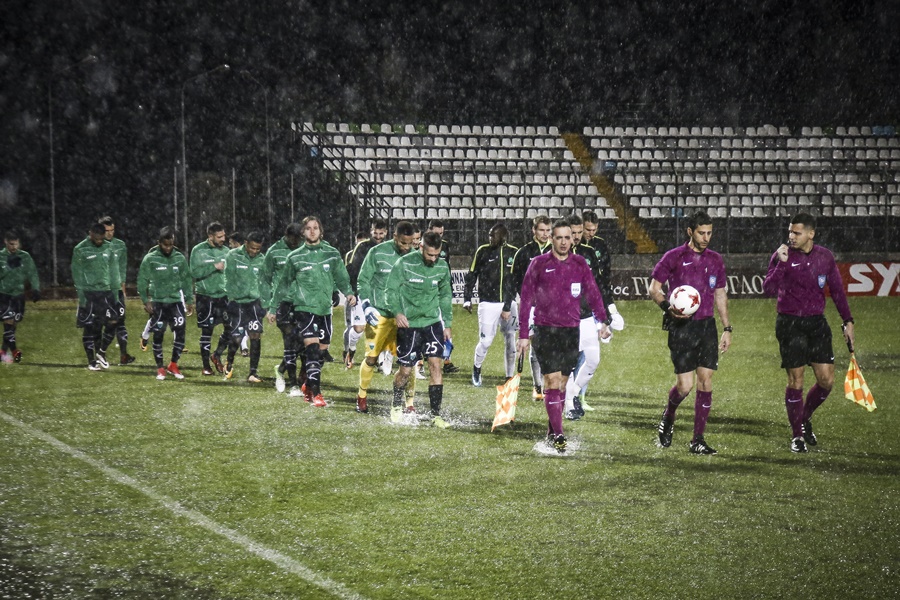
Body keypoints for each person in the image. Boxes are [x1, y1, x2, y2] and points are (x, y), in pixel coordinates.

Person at [763, 212, 855, 453]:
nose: (791, 236)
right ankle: (796, 437)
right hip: (789, 323)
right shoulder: (782, 255)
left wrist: (848, 320)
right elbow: (768, 288)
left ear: (811, 234)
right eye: (790, 232)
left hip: (817, 324)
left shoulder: (825, 257)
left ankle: (803, 418)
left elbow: (836, 290)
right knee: (796, 380)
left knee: (826, 381)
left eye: (797, 232)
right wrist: (781, 263)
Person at [517, 220, 609, 453]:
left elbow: (593, 292)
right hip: (546, 330)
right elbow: (526, 298)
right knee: (551, 382)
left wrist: (602, 320)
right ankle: (559, 435)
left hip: (571, 331)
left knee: (562, 385)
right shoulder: (538, 264)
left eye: (567, 237)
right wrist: (524, 334)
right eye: (559, 237)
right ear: (551, 239)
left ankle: (551, 430)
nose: (564, 242)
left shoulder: (579, 263)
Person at [649, 211, 731, 455]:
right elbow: (654, 289)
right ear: (690, 232)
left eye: (709, 233)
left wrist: (727, 328)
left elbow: (720, 294)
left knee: (706, 381)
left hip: (707, 327)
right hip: (682, 327)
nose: (706, 238)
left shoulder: (715, 260)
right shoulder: (673, 257)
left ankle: (697, 439)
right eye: (701, 233)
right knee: (685, 387)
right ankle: (669, 414)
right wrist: (669, 309)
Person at [273, 217, 355, 406]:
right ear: (303, 232)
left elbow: (341, 277)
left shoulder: (332, 254)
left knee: (321, 351)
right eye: (308, 228)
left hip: (325, 309)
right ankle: (317, 394)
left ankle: (308, 384)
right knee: (311, 349)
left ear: (321, 231)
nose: (312, 231)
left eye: (315, 228)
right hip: (304, 308)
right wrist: (272, 307)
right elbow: (284, 284)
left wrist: (348, 293)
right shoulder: (294, 257)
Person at [384, 231, 454, 426]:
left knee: (435, 365)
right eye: (430, 254)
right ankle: (397, 403)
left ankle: (435, 415)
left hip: (432, 324)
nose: (433, 259)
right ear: (421, 247)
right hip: (409, 326)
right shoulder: (405, 263)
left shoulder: (442, 267)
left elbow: (445, 295)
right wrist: (397, 313)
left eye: (437, 255)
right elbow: (391, 289)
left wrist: (447, 323)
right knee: (405, 371)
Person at [354, 220, 416, 413]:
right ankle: (361, 397)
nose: (406, 247)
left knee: (408, 360)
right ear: (395, 237)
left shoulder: (415, 257)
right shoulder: (377, 253)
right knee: (371, 359)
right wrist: (366, 306)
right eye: (403, 242)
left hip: (404, 317)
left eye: (410, 243)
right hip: (380, 315)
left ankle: (409, 403)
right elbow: (363, 280)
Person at [562, 214, 610, 420]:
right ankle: (568, 405)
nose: (577, 237)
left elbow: (596, 287)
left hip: (588, 316)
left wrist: (605, 317)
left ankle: (573, 393)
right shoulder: (555, 255)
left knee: (593, 360)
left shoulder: (588, 253)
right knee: (568, 364)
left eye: (580, 233)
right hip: (566, 318)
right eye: (573, 233)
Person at [464, 223, 518, 387]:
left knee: (510, 340)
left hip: (509, 303)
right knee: (486, 341)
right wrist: (467, 298)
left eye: (492, 235)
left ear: (502, 236)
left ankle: (509, 377)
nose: (489, 238)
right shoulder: (483, 251)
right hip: (488, 303)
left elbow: (515, 281)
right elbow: (472, 275)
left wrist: (508, 306)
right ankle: (477, 368)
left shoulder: (513, 253)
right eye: (489, 235)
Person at [137, 227, 194, 380]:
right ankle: (160, 368)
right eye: (165, 245)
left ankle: (173, 365)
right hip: (159, 302)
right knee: (158, 334)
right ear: (159, 243)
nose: (168, 248)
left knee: (180, 334)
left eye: (170, 245)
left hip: (175, 302)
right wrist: (145, 300)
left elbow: (186, 279)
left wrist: (189, 300)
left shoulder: (179, 258)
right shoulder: (151, 259)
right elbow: (142, 280)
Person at [511, 214, 552, 400]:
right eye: (541, 230)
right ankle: (538, 386)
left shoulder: (556, 251)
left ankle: (550, 383)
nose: (545, 234)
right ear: (533, 231)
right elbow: (514, 280)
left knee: (548, 347)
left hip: (553, 308)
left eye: (548, 230)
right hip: (532, 307)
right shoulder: (524, 253)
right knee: (535, 346)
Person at [72, 222, 121, 370]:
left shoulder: (109, 248)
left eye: (102, 239)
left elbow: (114, 271)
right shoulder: (80, 249)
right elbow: (77, 274)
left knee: (113, 321)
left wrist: (116, 293)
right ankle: (91, 361)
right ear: (91, 234)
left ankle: (101, 352)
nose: (100, 241)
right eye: (97, 238)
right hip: (89, 293)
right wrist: (81, 296)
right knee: (91, 326)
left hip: (105, 292)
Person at [222, 231, 268, 382]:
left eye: (258, 249)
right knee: (236, 338)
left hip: (255, 303)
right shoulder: (233, 256)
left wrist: (266, 302)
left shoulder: (263, 260)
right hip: (237, 302)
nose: (255, 251)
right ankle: (229, 363)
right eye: (252, 248)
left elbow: (266, 282)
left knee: (255, 335)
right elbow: (227, 278)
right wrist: (230, 297)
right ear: (246, 243)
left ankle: (253, 373)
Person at [262, 223, 304, 392]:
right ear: (286, 236)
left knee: (302, 344)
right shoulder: (274, 251)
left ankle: (280, 369)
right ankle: (293, 384)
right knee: (289, 340)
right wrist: (269, 306)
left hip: (302, 303)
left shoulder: (304, 249)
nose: (295, 242)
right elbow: (265, 278)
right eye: (293, 239)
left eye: (298, 239)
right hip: (283, 303)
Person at [343, 220, 387, 369]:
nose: (378, 236)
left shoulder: (388, 249)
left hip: (381, 295)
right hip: (363, 293)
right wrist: (353, 293)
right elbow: (352, 269)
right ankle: (351, 351)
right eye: (376, 232)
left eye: (381, 233)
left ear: (386, 233)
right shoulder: (362, 247)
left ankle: (380, 361)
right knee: (358, 328)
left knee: (380, 327)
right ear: (371, 231)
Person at [190, 221, 231, 376]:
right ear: (210, 236)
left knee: (231, 328)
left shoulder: (227, 251)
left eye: (224, 236)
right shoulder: (198, 251)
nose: (223, 239)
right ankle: (206, 366)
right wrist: (213, 267)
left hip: (224, 297)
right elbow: (194, 273)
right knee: (207, 331)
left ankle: (217, 354)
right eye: (219, 236)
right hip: (205, 298)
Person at [99, 216, 135, 365]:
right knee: (108, 323)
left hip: (117, 291)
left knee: (120, 321)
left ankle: (123, 355)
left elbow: (122, 267)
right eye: (107, 231)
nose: (110, 233)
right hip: (103, 291)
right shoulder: (95, 246)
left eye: (112, 230)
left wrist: (123, 287)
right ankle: (99, 352)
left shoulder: (120, 245)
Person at [0, 231, 40, 363]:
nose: (14, 247)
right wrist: (6, 269)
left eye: (16, 244)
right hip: (4, 295)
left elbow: (32, 272)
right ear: (6, 243)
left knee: (13, 325)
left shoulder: (25, 257)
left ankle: (3, 351)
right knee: (9, 321)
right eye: (11, 244)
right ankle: (15, 351)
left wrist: (36, 288)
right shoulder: (1, 257)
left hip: (18, 295)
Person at [427, 219, 460, 374]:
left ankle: (446, 360)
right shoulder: (423, 246)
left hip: (441, 290)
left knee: (446, 323)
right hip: (428, 292)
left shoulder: (445, 245)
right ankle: (419, 362)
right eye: (436, 233)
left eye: (441, 233)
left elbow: (447, 266)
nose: (439, 237)